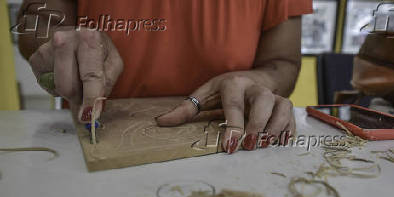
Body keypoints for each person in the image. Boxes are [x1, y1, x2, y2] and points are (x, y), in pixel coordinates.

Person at [18, 0, 312, 154]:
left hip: (224, 145)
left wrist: (261, 81)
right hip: (91, 138)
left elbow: (282, 62)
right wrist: (59, 40)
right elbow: (35, 20)